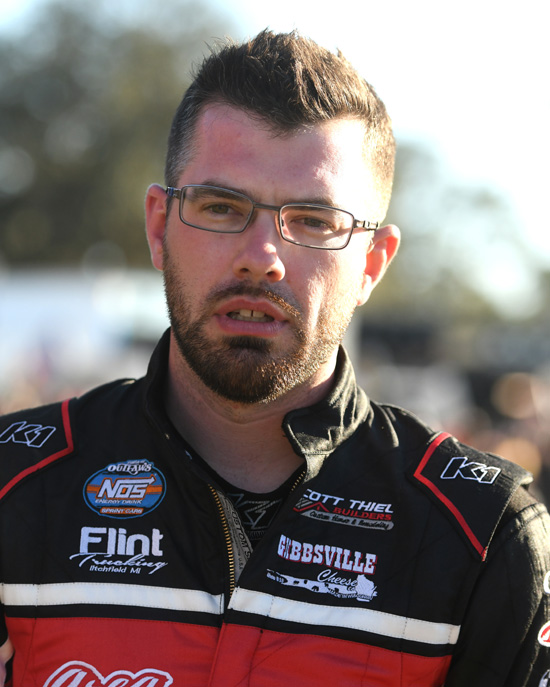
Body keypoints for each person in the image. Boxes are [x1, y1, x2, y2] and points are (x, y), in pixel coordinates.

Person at [0, 29, 548, 687]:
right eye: (221, 206)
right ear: (159, 226)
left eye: (315, 221)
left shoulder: (483, 533)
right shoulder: (14, 483)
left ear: (372, 264)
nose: (261, 257)